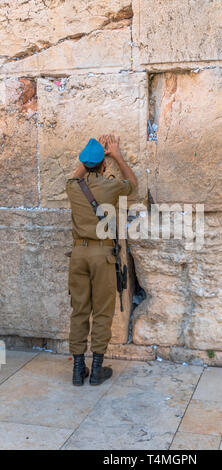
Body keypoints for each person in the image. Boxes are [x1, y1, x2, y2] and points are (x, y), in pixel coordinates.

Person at [66, 134, 138, 386]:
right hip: (101, 255)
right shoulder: (111, 186)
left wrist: (89, 158)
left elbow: (76, 176)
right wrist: (115, 154)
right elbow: (132, 183)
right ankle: (96, 369)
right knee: (102, 312)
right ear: (104, 165)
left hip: (78, 255)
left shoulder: (73, 187)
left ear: (85, 165)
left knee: (79, 311)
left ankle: (78, 370)